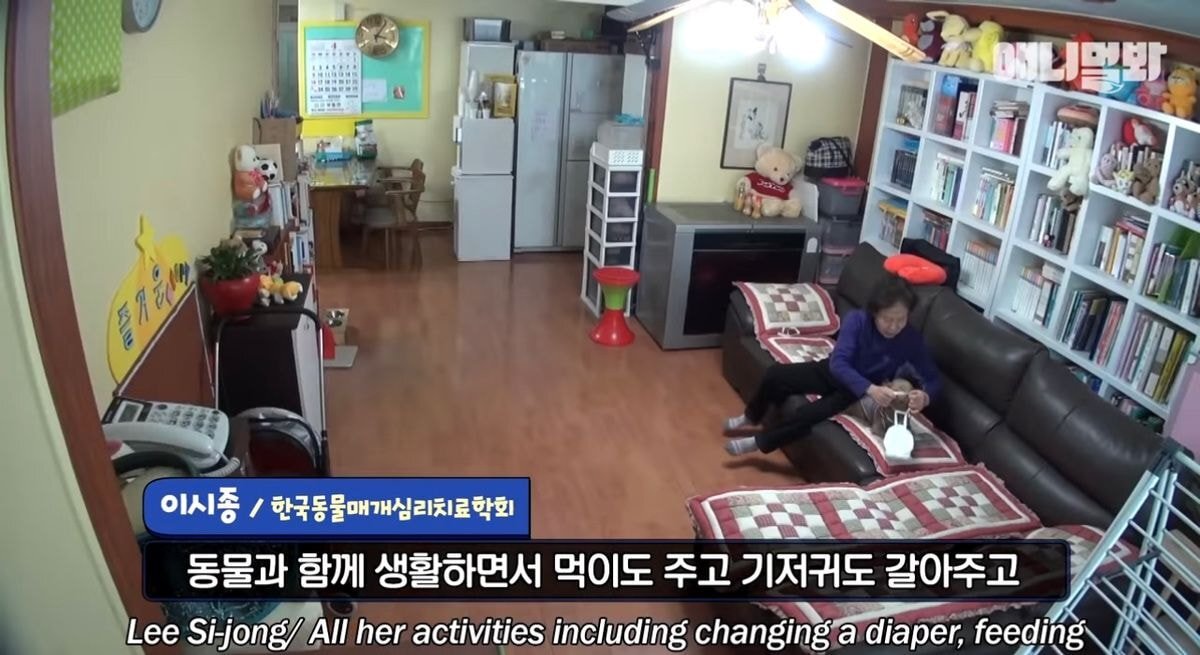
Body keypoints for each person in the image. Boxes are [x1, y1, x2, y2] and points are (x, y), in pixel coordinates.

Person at [724, 274, 942, 456]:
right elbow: (839, 363)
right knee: (775, 374)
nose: (894, 327)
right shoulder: (858, 320)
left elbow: (933, 379)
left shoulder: (911, 339)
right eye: (887, 319)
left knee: (808, 415)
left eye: (900, 320)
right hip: (834, 372)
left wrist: (925, 397)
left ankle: (758, 442)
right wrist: (871, 389)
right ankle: (751, 416)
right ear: (875, 312)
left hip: (852, 391)